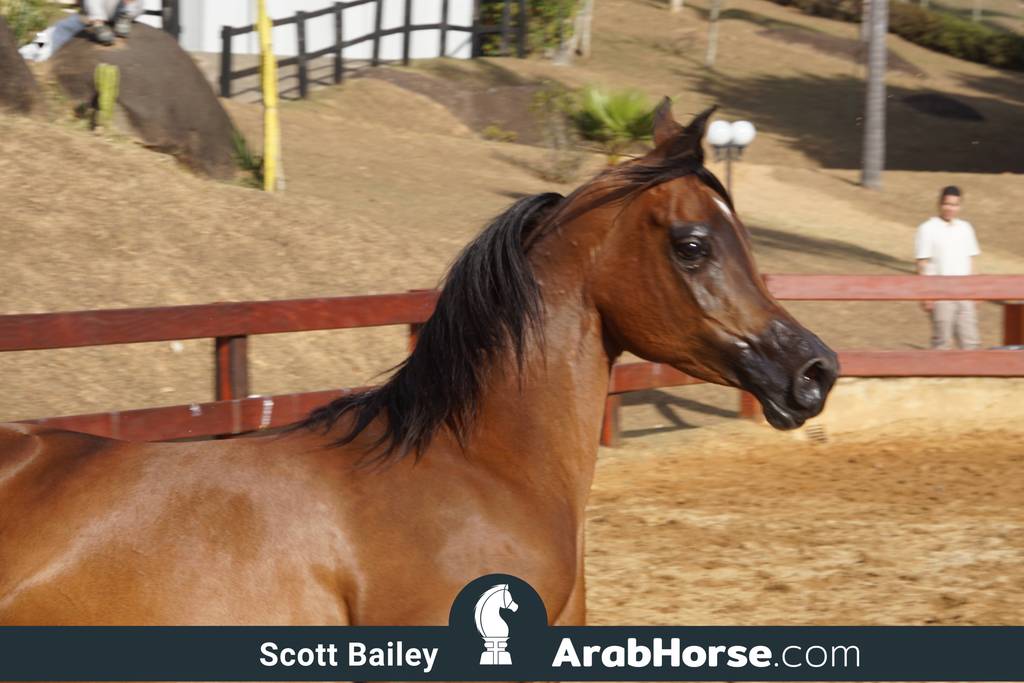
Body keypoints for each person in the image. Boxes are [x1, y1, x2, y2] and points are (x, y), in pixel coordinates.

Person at [914, 185, 981, 350]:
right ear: (940, 204)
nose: (950, 208)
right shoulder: (927, 228)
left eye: (955, 205)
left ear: (960, 206)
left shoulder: (965, 228)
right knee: (942, 340)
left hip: (964, 293)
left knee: (970, 340)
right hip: (940, 293)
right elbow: (922, 263)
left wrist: (976, 290)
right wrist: (926, 295)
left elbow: (971, 261)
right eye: (947, 204)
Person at [47, 0, 144, 55]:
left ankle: (125, 15)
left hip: (123, 9)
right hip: (98, 10)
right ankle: (98, 24)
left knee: (130, 8)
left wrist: (127, 11)